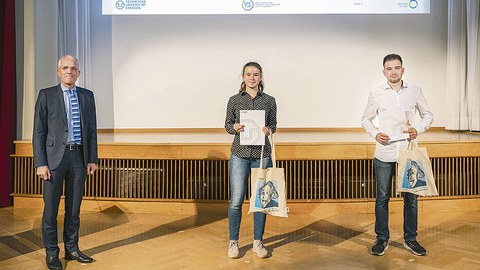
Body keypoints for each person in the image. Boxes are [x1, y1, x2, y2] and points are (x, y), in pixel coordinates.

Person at [361, 53, 433, 257]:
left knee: (411, 198)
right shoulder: (376, 93)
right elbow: (365, 119)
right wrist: (375, 134)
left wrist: (418, 129)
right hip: (384, 152)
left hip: (408, 152)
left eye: (397, 68)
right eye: (389, 68)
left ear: (403, 69)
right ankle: (381, 239)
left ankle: (411, 239)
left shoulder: (415, 91)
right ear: (384, 72)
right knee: (382, 197)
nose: (393, 71)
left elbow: (428, 114)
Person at [33, 55, 98, 270]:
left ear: (78, 73)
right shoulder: (46, 95)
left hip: (78, 158)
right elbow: (39, 132)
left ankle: (72, 248)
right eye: (65, 68)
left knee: (73, 209)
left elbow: (91, 130)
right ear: (58, 71)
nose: (69, 71)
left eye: (73, 68)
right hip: (53, 161)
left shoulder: (87, 96)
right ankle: (52, 253)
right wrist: (40, 163)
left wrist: (92, 158)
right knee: (50, 210)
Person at [224, 62, 277, 259]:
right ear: (243, 77)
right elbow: (227, 124)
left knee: (261, 202)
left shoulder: (270, 101)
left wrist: (268, 130)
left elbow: (274, 124)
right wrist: (234, 127)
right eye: (248, 74)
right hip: (239, 153)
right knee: (236, 200)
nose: (252, 78)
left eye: (256, 74)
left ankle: (258, 242)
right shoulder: (234, 100)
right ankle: (233, 242)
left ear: (261, 77)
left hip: (262, 155)